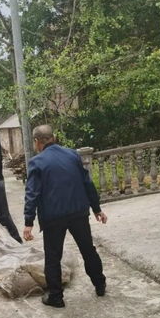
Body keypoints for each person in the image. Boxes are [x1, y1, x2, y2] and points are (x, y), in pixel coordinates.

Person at [23, 125, 107, 308]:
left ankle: (56, 297)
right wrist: (97, 209)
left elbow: (32, 194)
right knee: (87, 249)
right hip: (78, 212)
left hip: (53, 217)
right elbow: (87, 183)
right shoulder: (72, 155)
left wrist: (28, 222)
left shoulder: (37, 162)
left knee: (53, 257)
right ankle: (100, 284)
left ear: (37, 142)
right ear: (53, 137)